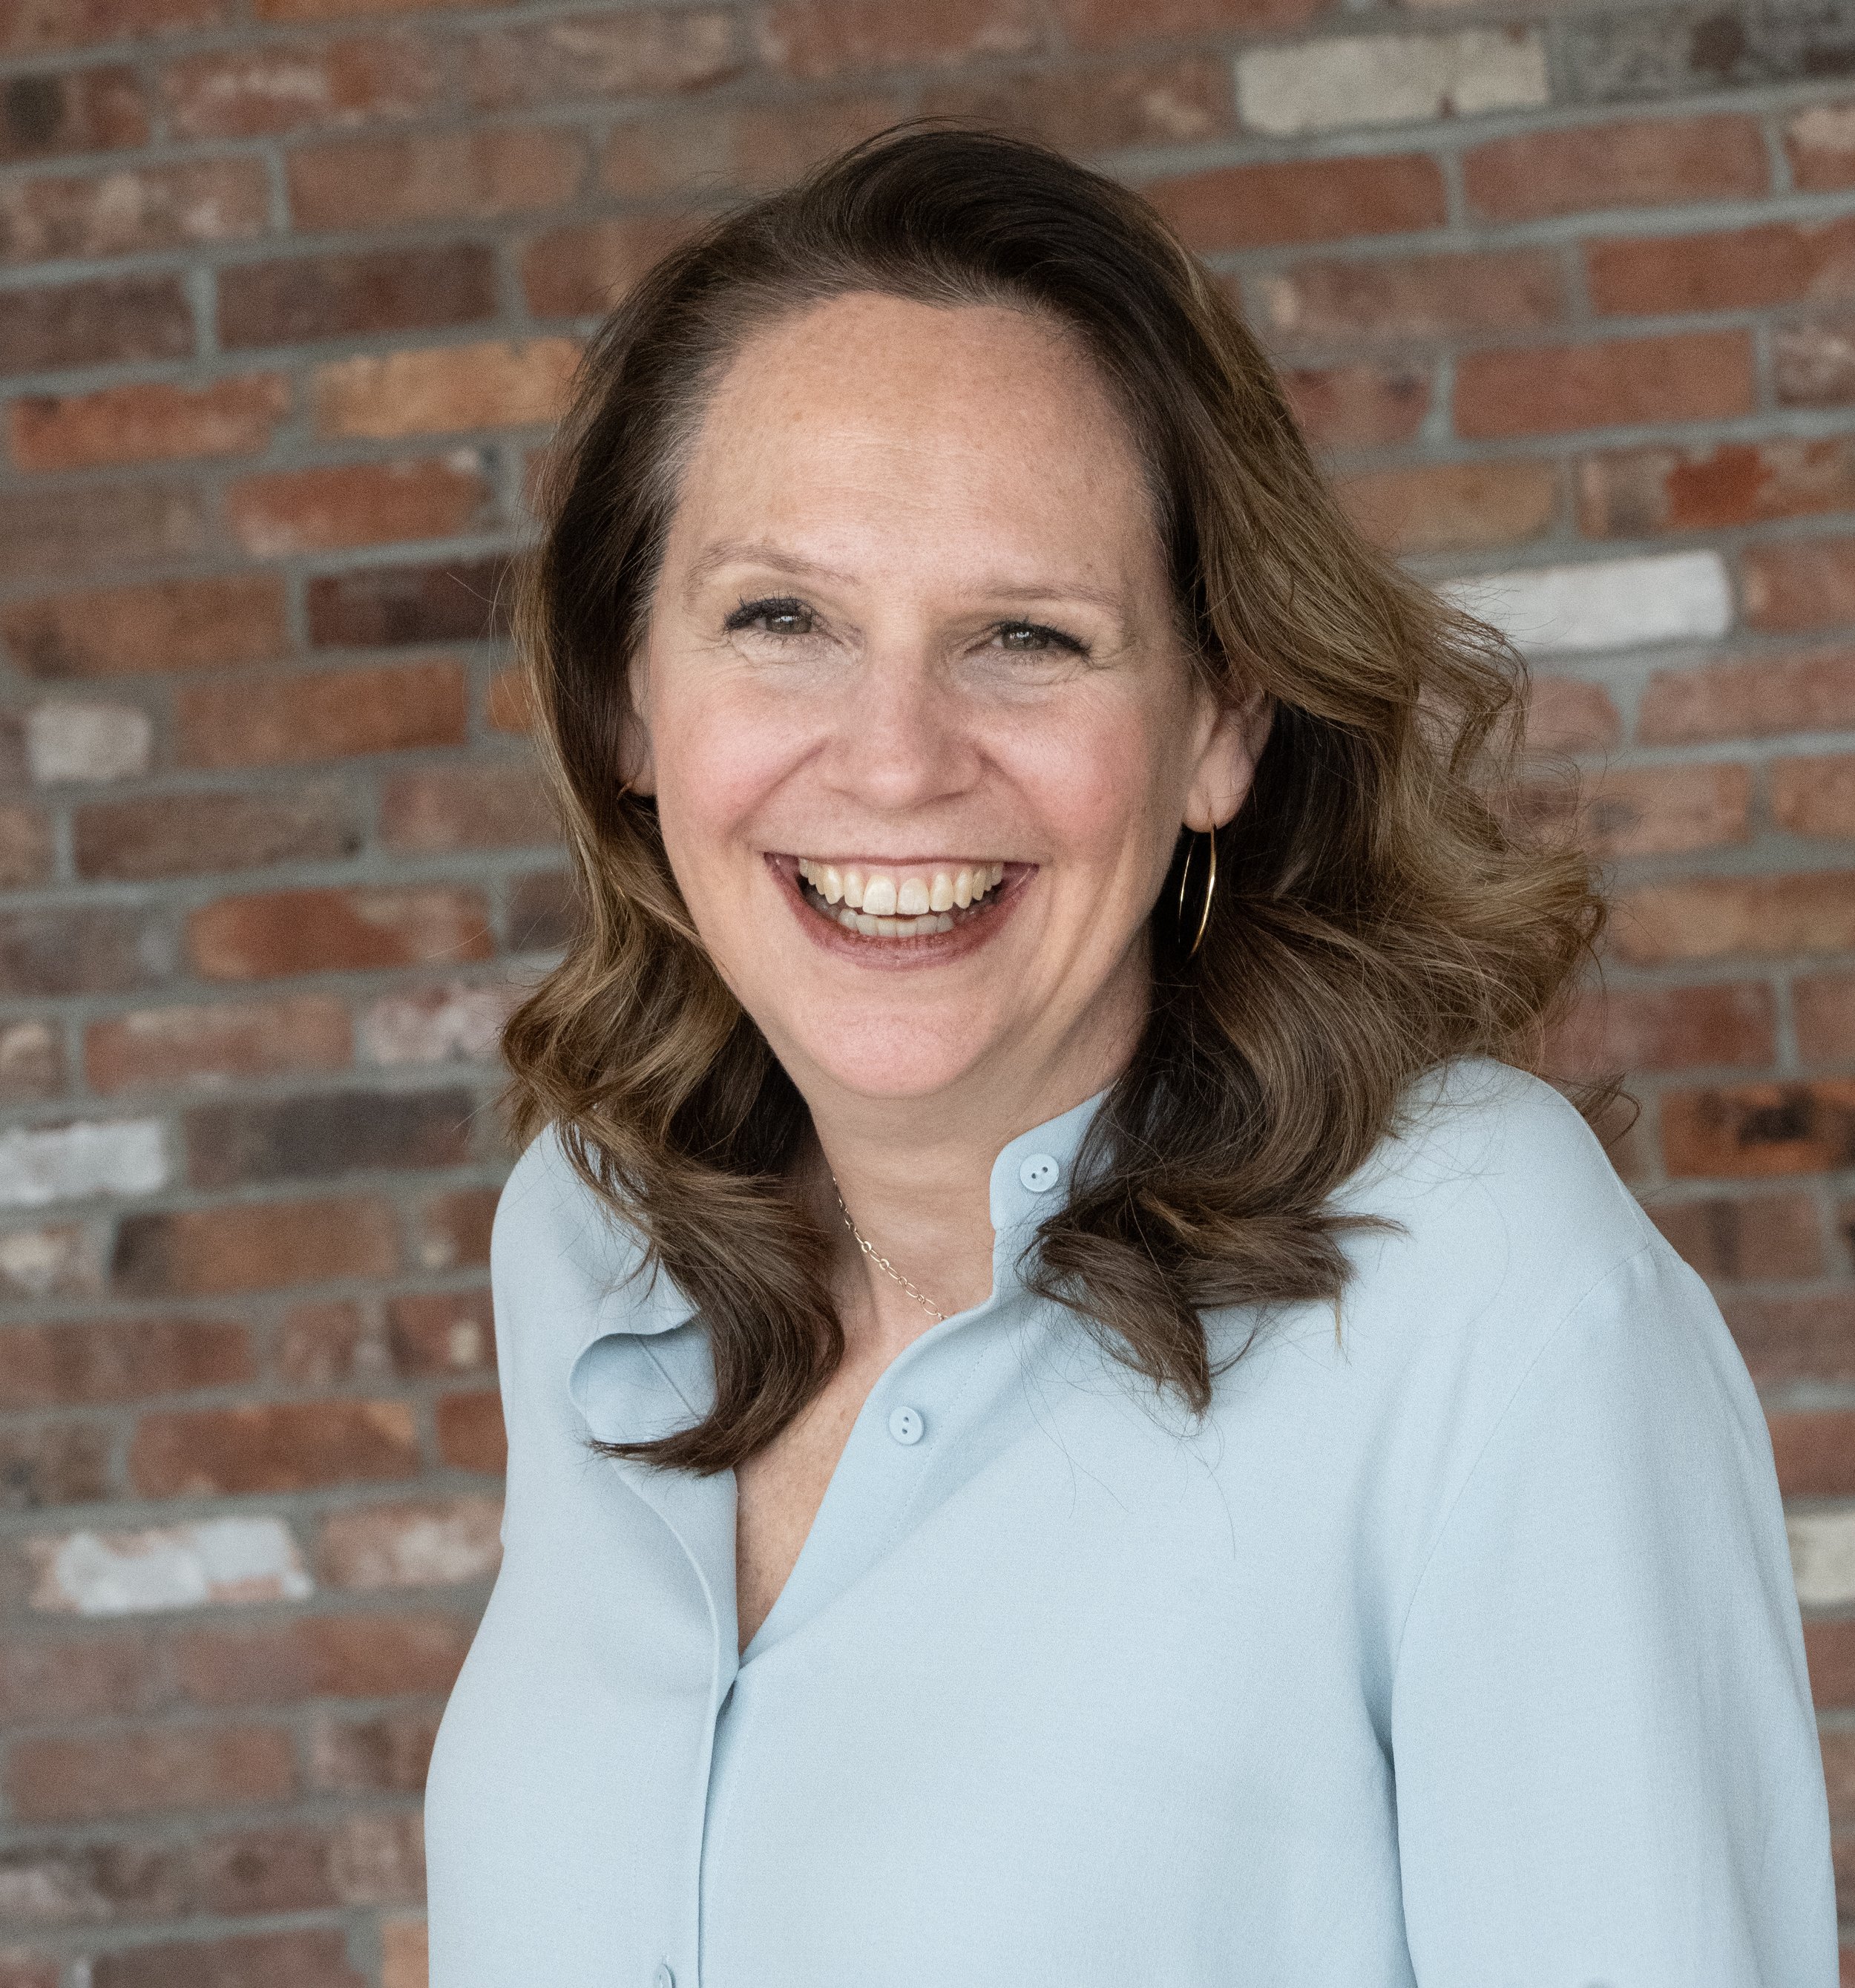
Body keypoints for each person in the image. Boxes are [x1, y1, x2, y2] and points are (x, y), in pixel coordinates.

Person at [422, 123, 1838, 1987]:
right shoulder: (593, 1235)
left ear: (1216, 725)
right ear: (625, 695)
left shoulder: (1481, 1286)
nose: (897, 756)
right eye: (782, 620)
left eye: (1026, 635)